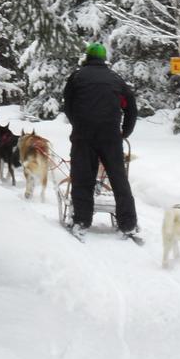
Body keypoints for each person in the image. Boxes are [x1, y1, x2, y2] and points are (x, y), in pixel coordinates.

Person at [62, 41, 139, 240]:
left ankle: (81, 221)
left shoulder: (77, 77)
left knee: (82, 178)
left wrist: (77, 124)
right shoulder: (116, 79)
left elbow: (68, 105)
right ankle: (128, 223)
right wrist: (124, 132)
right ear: (104, 59)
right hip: (111, 136)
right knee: (118, 178)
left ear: (87, 57)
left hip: (83, 135)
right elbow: (131, 107)